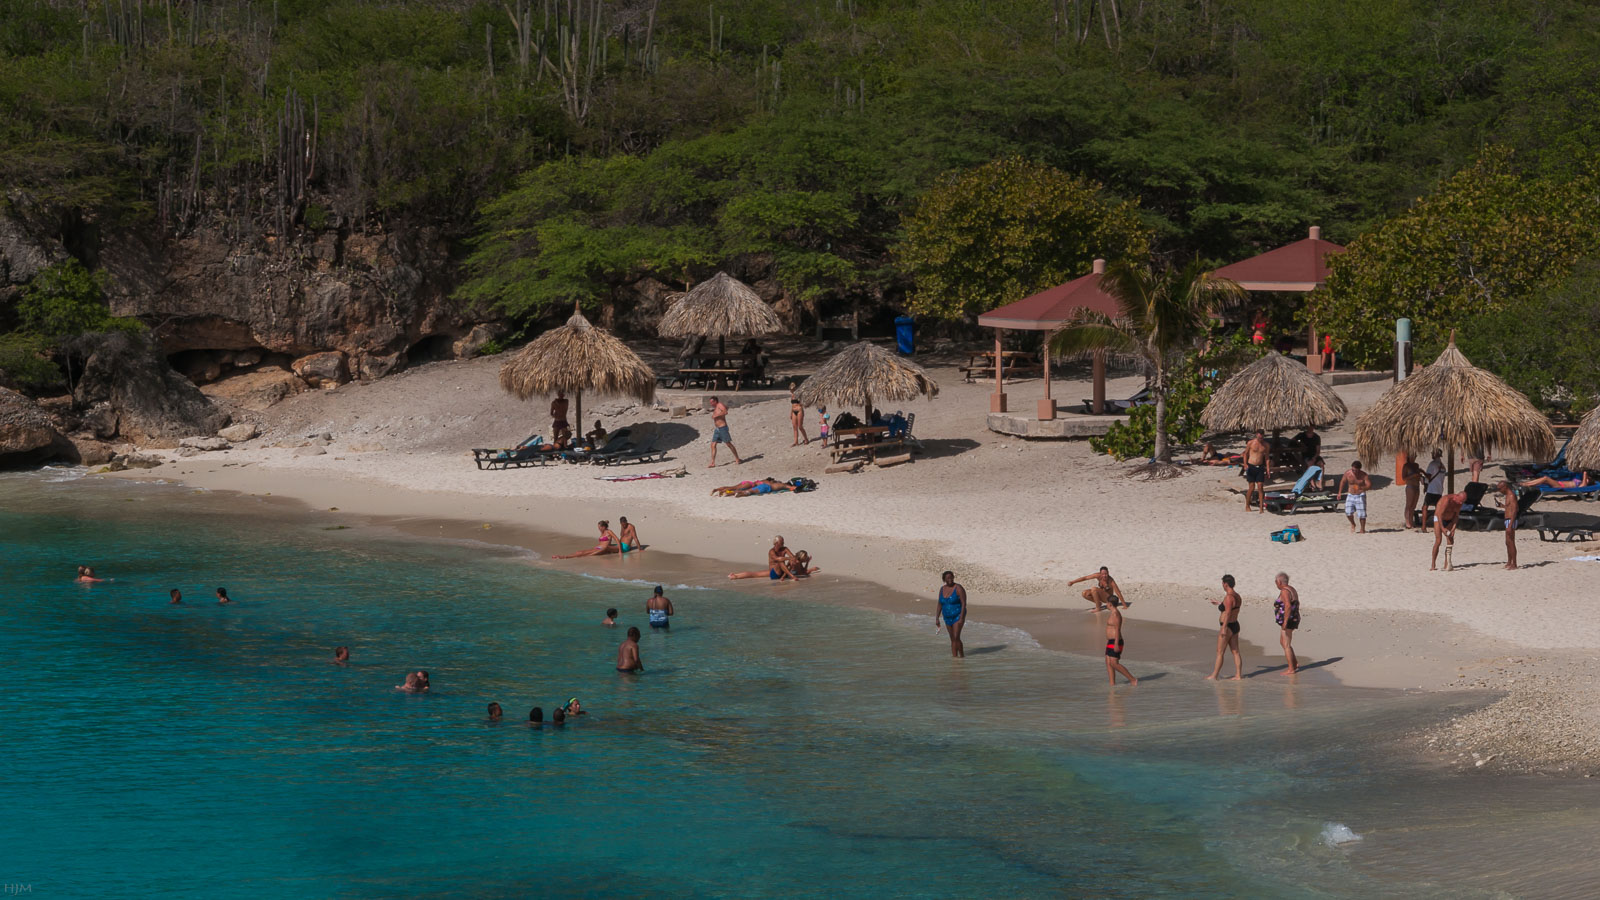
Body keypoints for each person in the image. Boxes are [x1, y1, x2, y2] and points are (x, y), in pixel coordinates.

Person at [1206, 574, 1243, 681]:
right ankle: (1238, 675)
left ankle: (1214, 675)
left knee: (1220, 652)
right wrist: (1219, 604)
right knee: (1235, 651)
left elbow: (1227, 613)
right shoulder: (1237, 596)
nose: (1222, 585)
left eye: (1222, 583)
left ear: (1225, 584)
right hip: (1235, 624)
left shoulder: (1228, 597)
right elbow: (1230, 606)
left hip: (1227, 626)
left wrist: (1223, 628)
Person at [728, 535, 799, 580]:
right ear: (776, 543)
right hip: (774, 573)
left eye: (783, 542)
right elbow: (778, 559)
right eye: (782, 542)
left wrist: (793, 560)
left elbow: (793, 557)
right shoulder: (771, 551)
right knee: (754, 574)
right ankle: (735, 576)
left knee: (754, 574)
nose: (783, 543)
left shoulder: (785, 549)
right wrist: (789, 558)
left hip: (782, 572)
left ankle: (735, 576)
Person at [1104, 598, 1137, 686]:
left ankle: (1133, 679)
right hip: (1110, 641)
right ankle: (1112, 684)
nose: (1106, 604)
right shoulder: (1112, 613)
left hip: (1116, 641)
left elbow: (1117, 629)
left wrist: (1116, 644)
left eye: (1106, 603)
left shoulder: (1116, 614)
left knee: (1114, 663)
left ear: (1110, 604)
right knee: (1108, 663)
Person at [934, 570, 967, 658]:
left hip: (957, 615)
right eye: (948, 578)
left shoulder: (958, 588)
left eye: (951, 577)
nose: (950, 579)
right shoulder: (942, 589)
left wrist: (961, 618)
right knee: (952, 638)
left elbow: (964, 603)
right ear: (944, 579)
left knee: (956, 637)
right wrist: (937, 618)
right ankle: (955, 659)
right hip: (947, 617)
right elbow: (940, 604)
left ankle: (962, 656)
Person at [1431, 490, 1466, 571]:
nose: (1461, 503)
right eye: (1460, 501)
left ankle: (1447, 563)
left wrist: (1453, 528)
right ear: (1456, 496)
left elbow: (1456, 516)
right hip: (1439, 518)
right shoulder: (1446, 500)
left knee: (1450, 541)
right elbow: (1439, 515)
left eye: (1462, 502)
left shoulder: (1459, 503)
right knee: (1438, 540)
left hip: (1450, 519)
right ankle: (1433, 564)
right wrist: (1443, 528)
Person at [1273, 573, 1300, 675]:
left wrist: (1285, 622)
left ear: (1279, 582)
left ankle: (1291, 669)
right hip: (1293, 618)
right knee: (1282, 642)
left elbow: (1288, 606)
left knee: (1286, 644)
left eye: (1276, 582)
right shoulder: (1291, 589)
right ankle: (1295, 663)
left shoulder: (1284, 591)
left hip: (1289, 620)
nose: (1276, 584)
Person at [707, 395, 742, 467]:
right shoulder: (716, 407)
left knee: (728, 444)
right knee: (713, 445)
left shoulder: (719, 405)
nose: (711, 404)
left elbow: (725, 412)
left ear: (715, 401)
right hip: (717, 429)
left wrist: (716, 416)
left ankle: (737, 458)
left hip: (723, 428)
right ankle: (713, 462)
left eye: (712, 402)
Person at [554, 521, 621, 559]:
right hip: (598, 547)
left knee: (584, 554)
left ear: (603, 527)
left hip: (603, 549)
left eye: (599, 527)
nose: (598, 529)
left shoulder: (609, 532)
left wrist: (620, 551)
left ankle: (565, 557)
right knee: (580, 551)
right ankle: (565, 556)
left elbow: (617, 539)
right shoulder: (602, 532)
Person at [1337, 460, 1371, 534]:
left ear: (1359, 469)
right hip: (1350, 494)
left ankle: (1362, 529)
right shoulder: (1348, 473)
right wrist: (1339, 492)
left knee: (1362, 514)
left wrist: (1362, 488)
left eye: (1355, 470)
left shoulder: (1363, 475)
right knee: (1348, 512)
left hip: (1360, 495)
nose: (1354, 471)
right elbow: (1342, 481)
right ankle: (1353, 523)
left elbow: (1369, 485)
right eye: (1353, 469)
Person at [1243, 430, 1272, 513]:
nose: (1260, 438)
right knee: (1251, 487)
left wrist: (1268, 469)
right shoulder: (1251, 443)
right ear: (1256, 435)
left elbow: (1267, 458)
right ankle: (1247, 505)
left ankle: (1261, 508)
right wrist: (1245, 464)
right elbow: (1245, 454)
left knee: (1260, 487)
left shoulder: (1266, 445)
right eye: (1259, 437)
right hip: (1251, 466)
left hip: (1260, 467)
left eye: (1262, 437)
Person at [1498, 481, 1519, 570]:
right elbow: (1509, 507)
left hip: (1511, 520)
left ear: (1505, 487)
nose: (1499, 491)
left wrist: (1510, 525)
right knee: (1507, 543)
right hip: (1508, 520)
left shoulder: (1511, 495)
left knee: (1511, 542)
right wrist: (1502, 506)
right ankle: (1509, 562)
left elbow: (1515, 510)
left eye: (1500, 489)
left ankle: (1514, 564)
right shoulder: (1507, 495)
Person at [1423, 449, 1446, 526]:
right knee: (1437, 509)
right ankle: (1437, 524)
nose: (1432, 455)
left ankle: (1423, 527)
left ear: (1435, 455)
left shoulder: (1432, 464)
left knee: (1425, 507)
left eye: (1433, 453)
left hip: (1431, 490)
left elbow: (1428, 476)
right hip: (1439, 490)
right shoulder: (1443, 466)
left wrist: (1421, 471)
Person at [1400, 457, 1424, 530]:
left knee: (1413, 505)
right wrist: (1413, 475)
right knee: (1409, 504)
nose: (1414, 457)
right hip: (1410, 486)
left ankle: (1411, 521)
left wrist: (1420, 477)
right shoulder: (1406, 466)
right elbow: (1404, 478)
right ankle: (1407, 522)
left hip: (1417, 485)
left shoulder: (1416, 465)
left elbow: (1418, 474)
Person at [1520, 472, 1592, 490]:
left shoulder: (1583, 485)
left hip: (1560, 486)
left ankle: (1526, 484)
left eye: (1587, 480)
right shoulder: (1580, 481)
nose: (1586, 479)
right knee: (1543, 480)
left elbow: (1583, 487)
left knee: (1545, 478)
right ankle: (1526, 483)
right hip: (1559, 483)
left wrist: (1585, 474)